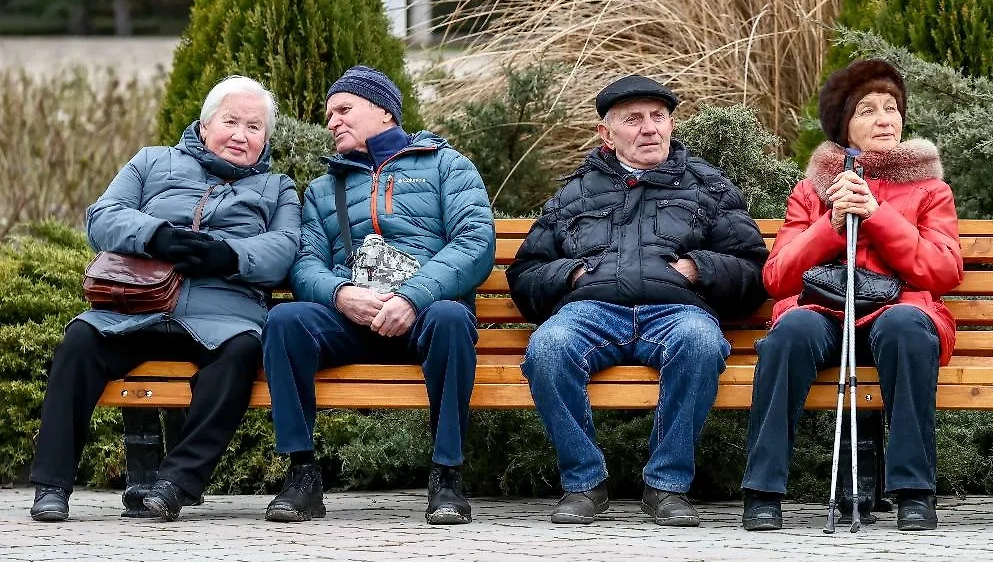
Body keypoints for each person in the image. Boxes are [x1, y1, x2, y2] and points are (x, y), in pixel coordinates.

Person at [29, 75, 301, 522]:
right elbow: (102, 217)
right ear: (205, 123)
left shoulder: (277, 188)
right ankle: (52, 486)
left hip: (224, 316)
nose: (241, 135)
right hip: (135, 309)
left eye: (254, 128)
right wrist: (155, 236)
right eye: (231, 121)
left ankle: (175, 484)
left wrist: (227, 254)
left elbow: (286, 248)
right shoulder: (151, 162)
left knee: (243, 351)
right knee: (80, 339)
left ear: (265, 139)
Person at [507, 74, 768, 526]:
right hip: (591, 311)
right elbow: (525, 273)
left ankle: (667, 486)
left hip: (678, 311)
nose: (650, 128)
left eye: (658, 117)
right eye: (634, 120)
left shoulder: (707, 186)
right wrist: (569, 273)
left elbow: (752, 266)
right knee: (549, 348)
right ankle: (584, 483)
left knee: (700, 343)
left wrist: (699, 268)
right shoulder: (575, 192)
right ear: (606, 135)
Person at [261, 66, 495, 525]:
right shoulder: (325, 188)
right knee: (284, 321)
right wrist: (341, 293)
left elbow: (475, 243)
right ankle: (302, 475)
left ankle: (447, 476)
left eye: (344, 110)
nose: (332, 122)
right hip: (350, 319)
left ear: (384, 111)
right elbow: (304, 263)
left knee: (451, 318)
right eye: (329, 115)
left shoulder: (447, 165)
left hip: (424, 315)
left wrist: (410, 298)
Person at [741, 59, 963, 532]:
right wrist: (831, 223)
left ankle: (914, 492)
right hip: (826, 310)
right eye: (868, 110)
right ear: (846, 127)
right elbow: (778, 278)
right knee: (790, 330)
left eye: (891, 108)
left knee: (905, 328)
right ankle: (762, 491)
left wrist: (878, 215)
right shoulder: (812, 189)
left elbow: (943, 271)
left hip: (898, 311)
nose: (884, 119)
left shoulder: (930, 189)